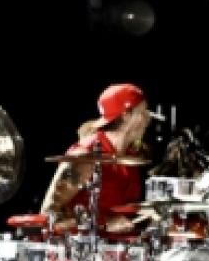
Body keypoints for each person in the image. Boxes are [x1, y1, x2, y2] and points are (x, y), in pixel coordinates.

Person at [41, 83, 159, 235]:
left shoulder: (130, 156)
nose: (148, 119)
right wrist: (103, 224)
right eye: (143, 112)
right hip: (84, 246)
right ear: (125, 115)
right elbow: (48, 216)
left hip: (121, 246)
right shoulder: (85, 155)